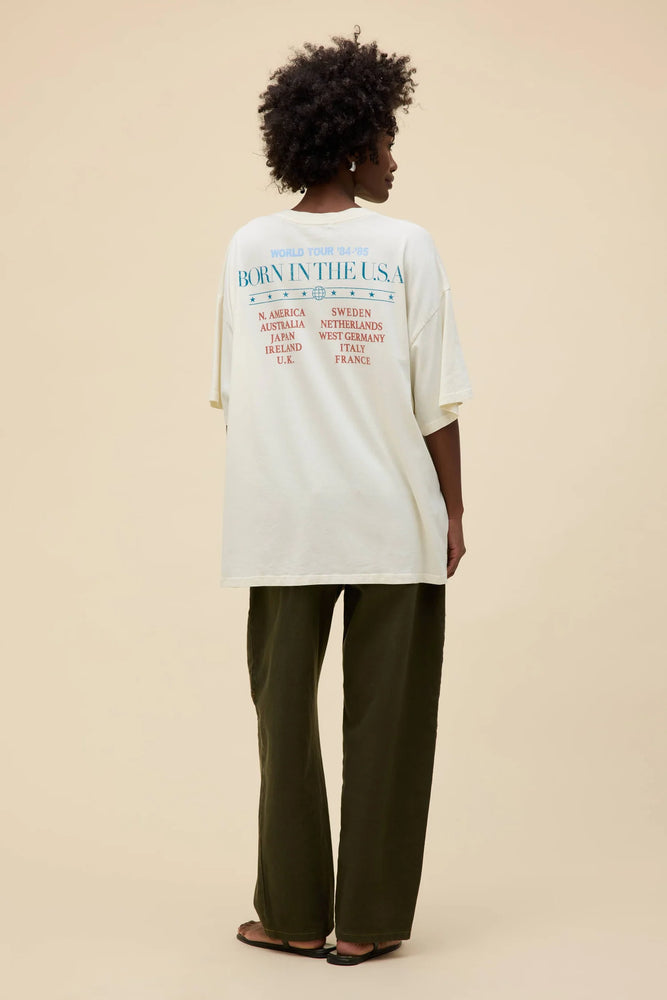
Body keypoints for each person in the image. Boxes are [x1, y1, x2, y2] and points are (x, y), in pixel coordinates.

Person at [209, 29, 473, 966]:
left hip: (280, 521)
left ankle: (289, 914)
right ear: (354, 144)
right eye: (387, 142)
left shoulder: (247, 249)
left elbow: (236, 393)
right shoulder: (405, 246)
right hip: (392, 514)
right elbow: (435, 395)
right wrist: (454, 509)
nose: (393, 161)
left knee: (281, 724)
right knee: (390, 726)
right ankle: (365, 923)